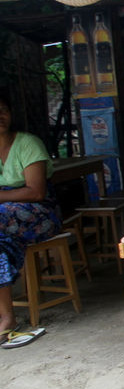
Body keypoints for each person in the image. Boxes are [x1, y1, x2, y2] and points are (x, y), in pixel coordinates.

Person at [0, 93, 62, 341]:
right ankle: (7, 317)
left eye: (3, 110)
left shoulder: (27, 143)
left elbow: (36, 191)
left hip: (40, 214)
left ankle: (5, 317)